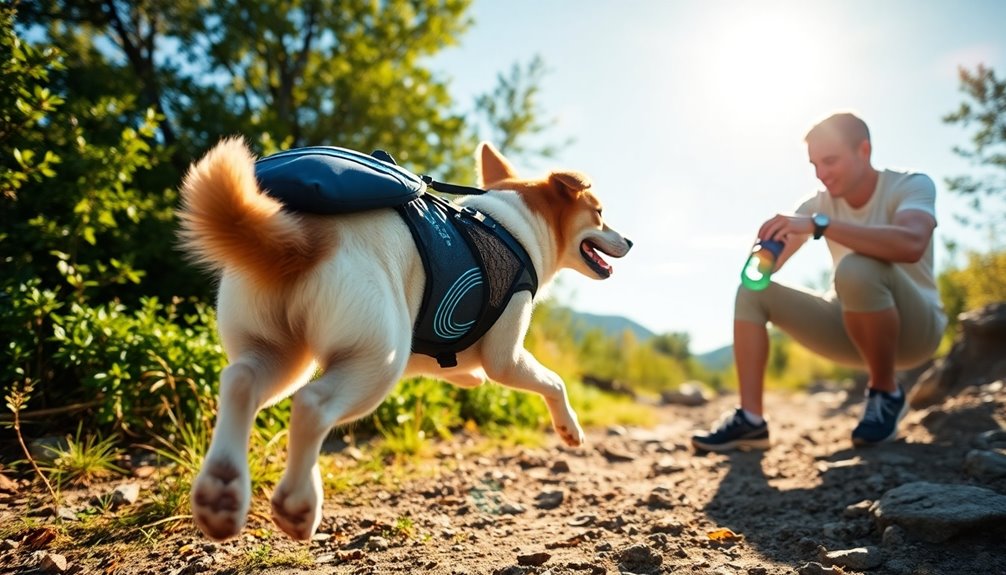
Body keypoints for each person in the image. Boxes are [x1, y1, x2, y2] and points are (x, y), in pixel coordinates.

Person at [692, 112, 947, 452]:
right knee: (752, 294)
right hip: (849, 328)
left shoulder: (910, 185)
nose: (821, 174)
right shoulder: (816, 205)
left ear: (864, 151)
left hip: (917, 331)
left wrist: (820, 225)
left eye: (830, 161)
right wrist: (765, 255)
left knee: (855, 268)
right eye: (814, 165)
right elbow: (759, 276)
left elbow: (911, 244)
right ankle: (751, 421)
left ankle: (886, 392)